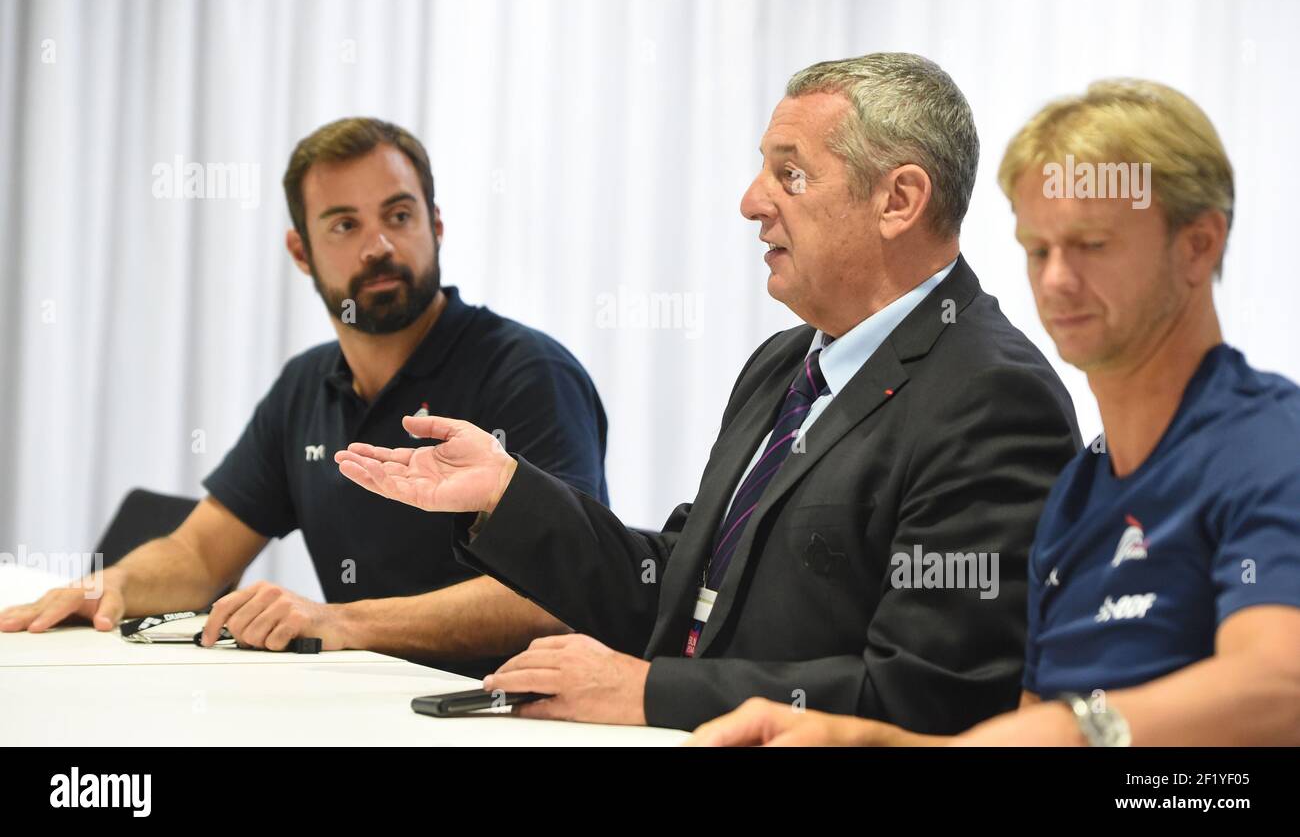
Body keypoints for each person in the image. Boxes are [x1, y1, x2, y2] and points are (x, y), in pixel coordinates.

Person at [336, 54, 1081, 730]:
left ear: (899, 199)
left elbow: (933, 696)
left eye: (789, 173)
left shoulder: (991, 397)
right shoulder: (783, 362)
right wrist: (504, 491)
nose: (751, 202)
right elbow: (677, 588)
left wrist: (651, 692)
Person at [688, 79, 1300, 746]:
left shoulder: (1270, 447)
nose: (1056, 280)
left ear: (1198, 245)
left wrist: (1073, 729)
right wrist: (864, 742)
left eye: (1091, 244)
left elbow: (1279, 685)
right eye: (1038, 250)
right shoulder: (1081, 490)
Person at [0, 118, 608, 673]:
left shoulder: (530, 373)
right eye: (346, 224)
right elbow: (202, 553)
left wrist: (341, 622)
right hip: (361, 705)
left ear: (436, 224)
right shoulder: (305, 385)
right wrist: (113, 587)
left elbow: (558, 593)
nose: (379, 246)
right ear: (301, 252)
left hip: (508, 716)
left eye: (398, 216)